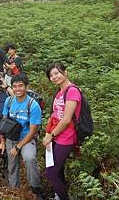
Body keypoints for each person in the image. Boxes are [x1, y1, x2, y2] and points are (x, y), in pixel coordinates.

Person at [0, 73, 43, 198]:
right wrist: (2, 142)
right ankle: (14, 191)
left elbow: (33, 131)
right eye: (15, 86)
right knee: (12, 166)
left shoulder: (33, 105)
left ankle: (35, 189)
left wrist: (18, 147)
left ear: (26, 87)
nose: (18, 89)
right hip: (11, 138)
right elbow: (3, 123)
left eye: (21, 86)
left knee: (29, 158)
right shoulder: (9, 101)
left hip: (26, 138)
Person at [42, 63, 82, 200]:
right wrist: (48, 134)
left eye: (56, 73)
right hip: (55, 136)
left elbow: (66, 120)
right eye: (51, 75)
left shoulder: (72, 91)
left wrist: (51, 135)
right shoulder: (59, 93)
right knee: (57, 171)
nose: (54, 77)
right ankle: (58, 196)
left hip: (67, 137)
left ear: (65, 72)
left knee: (50, 173)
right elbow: (54, 116)